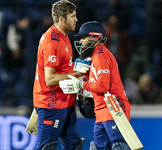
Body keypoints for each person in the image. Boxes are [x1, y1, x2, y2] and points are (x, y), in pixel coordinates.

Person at [59, 21, 131, 150]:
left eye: (83, 38)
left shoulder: (101, 56)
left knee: (118, 146)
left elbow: (102, 86)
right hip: (102, 110)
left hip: (113, 108)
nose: (80, 42)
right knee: (99, 147)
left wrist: (81, 85)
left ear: (94, 37)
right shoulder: (97, 55)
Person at [32, 0, 85, 149]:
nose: (76, 19)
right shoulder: (52, 42)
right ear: (62, 19)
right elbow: (50, 79)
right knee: (46, 147)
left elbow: (63, 67)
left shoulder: (63, 35)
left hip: (65, 100)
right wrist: (77, 74)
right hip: (51, 104)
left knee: (74, 146)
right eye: (73, 16)